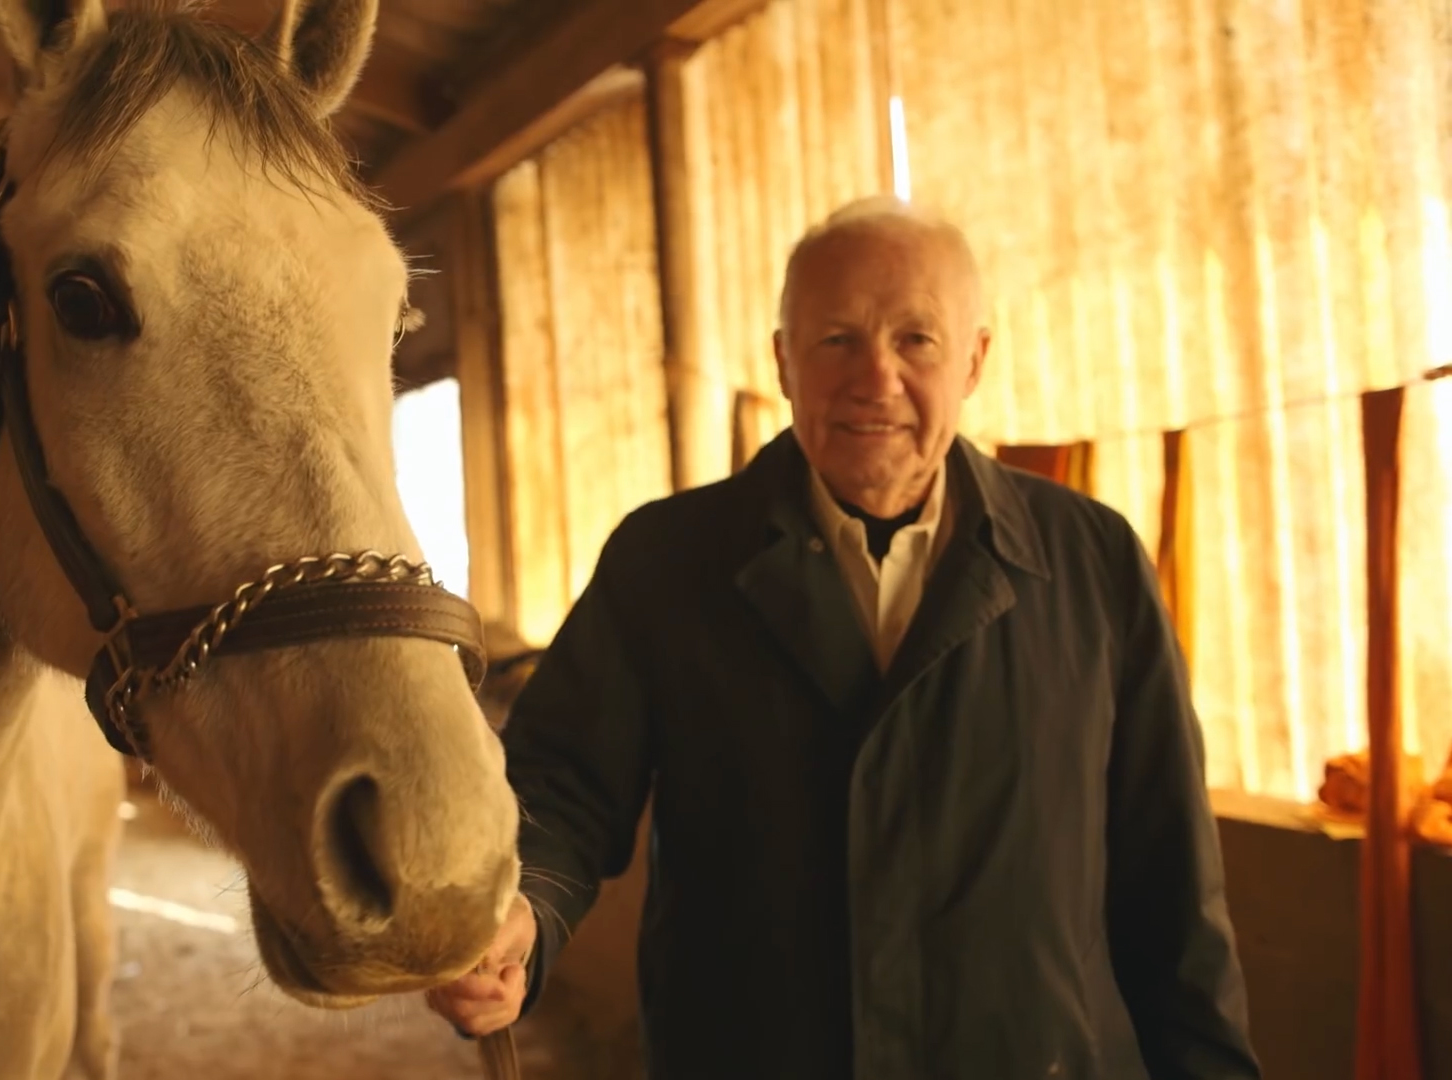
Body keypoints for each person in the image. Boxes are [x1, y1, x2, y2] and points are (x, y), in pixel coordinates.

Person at [425, 197, 1260, 1077]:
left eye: (917, 341)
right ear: (783, 361)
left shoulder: (1090, 563)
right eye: (836, 340)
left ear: (975, 360)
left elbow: (1171, 882)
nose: (876, 378)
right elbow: (563, 787)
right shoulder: (667, 562)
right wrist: (519, 915)